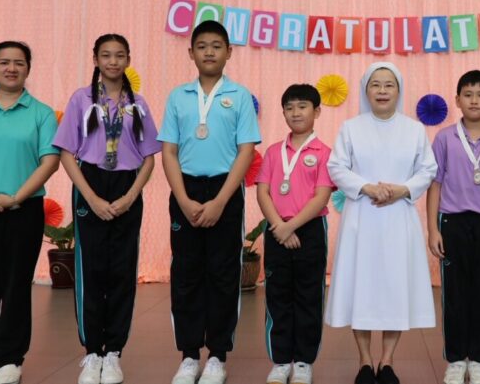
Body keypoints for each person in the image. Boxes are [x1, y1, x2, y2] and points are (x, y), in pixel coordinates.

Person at [53, 34, 162, 384]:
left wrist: (130, 196)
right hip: (91, 183)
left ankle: (113, 352)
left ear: (128, 60)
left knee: (122, 270)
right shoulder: (81, 99)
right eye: (106, 55)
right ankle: (92, 353)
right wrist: (91, 198)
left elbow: (149, 157)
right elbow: (66, 153)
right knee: (91, 270)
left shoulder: (138, 103)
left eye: (119, 55)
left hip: (127, 184)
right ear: (96, 59)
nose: (113, 61)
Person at [158, 21, 260, 384]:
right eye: (202, 46)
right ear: (191, 53)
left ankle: (217, 355)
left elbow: (246, 151)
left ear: (229, 52)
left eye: (217, 46)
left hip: (225, 190)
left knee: (222, 274)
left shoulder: (240, 96)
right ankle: (189, 356)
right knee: (185, 274)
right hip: (185, 189)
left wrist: (220, 201)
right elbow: (168, 151)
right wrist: (183, 199)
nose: (209, 52)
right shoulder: (178, 96)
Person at [325, 62, 437, 384]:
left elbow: (427, 169)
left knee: (394, 288)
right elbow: (337, 167)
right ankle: (364, 361)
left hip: (399, 217)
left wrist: (403, 189)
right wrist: (366, 187)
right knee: (361, 288)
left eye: (389, 85)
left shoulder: (414, 129)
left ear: (399, 91)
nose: (383, 91)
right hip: (362, 217)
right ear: (366, 90)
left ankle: (386, 362)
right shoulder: (351, 128)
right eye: (376, 84)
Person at [0, 41, 60, 384]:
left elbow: (50, 162)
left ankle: (10, 359)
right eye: (4, 62)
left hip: (23, 210)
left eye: (19, 63)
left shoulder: (41, 114)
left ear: (28, 69)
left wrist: (15, 197)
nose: (11, 68)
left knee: (17, 285)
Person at [426, 70, 480, 384]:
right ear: (457, 100)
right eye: (468, 94)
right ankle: (455, 359)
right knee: (454, 294)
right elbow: (435, 185)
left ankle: (478, 360)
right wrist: (433, 229)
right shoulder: (444, 138)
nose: (474, 100)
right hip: (452, 222)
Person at [256, 84, 334, 384]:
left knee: (309, 295)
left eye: (302, 106)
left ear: (317, 112)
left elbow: (321, 196)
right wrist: (279, 225)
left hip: (310, 229)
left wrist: (291, 226)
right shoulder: (274, 151)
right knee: (277, 295)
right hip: (277, 228)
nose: (295, 113)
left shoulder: (324, 153)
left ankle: (303, 361)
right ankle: (280, 361)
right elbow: (263, 192)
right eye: (289, 108)